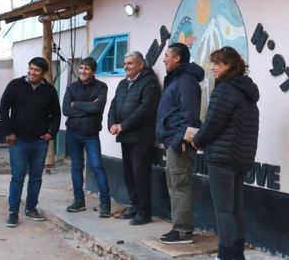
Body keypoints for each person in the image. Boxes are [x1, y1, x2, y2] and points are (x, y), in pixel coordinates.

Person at [189, 47, 259, 260]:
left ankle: (225, 255)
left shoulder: (225, 90)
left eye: (217, 64)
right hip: (241, 158)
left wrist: (196, 140)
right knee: (236, 209)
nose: (212, 67)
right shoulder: (248, 92)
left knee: (223, 211)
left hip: (222, 158)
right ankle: (237, 255)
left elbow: (212, 124)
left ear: (228, 65)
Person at [0, 56, 61, 227]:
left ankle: (31, 208)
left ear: (44, 73)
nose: (32, 72)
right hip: (18, 141)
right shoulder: (15, 85)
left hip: (40, 142)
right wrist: (9, 132)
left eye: (37, 70)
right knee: (17, 177)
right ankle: (13, 213)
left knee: (36, 178)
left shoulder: (49, 91)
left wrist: (52, 133)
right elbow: (4, 108)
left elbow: (56, 114)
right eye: (31, 68)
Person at [156, 42, 203, 244]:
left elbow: (190, 116)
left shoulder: (185, 81)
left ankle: (183, 232)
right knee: (175, 185)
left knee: (180, 185)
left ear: (177, 58)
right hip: (173, 141)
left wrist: (177, 142)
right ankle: (179, 228)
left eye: (167, 55)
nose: (164, 58)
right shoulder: (177, 79)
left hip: (179, 143)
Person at [107, 51, 161, 225]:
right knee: (129, 175)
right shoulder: (123, 84)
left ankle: (144, 212)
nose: (126, 67)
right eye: (125, 64)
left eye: (130, 63)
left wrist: (123, 126)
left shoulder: (149, 83)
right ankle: (135, 206)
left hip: (141, 138)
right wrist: (111, 124)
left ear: (140, 64)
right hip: (125, 137)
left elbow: (145, 110)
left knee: (140, 175)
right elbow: (114, 105)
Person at [62, 57, 111, 217]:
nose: (83, 71)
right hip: (73, 134)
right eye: (81, 68)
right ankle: (79, 201)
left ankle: (105, 204)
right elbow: (66, 110)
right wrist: (88, 108)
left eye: (87, 69)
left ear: (93, 71)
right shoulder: (72, 88)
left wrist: (76, 104)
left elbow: (98, 107)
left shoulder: (101, 87)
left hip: (91, 134)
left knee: (97, 167)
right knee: (76, 167)